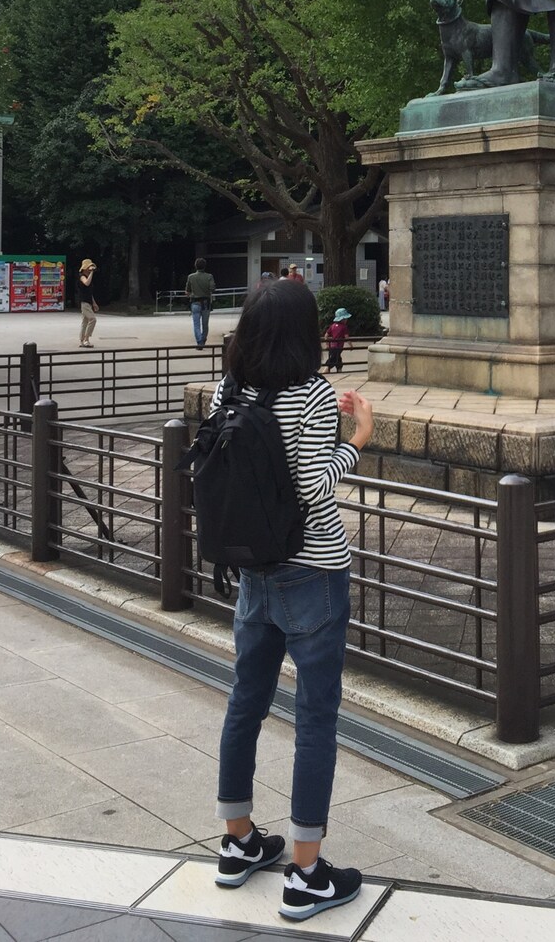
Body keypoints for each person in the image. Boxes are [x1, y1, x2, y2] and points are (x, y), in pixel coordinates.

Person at [212, 279, 373, 922]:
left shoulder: (232, 389)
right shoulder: (309, 393)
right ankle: (306, 873)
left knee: (245, 702)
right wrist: (357, 440)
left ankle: (238, 841)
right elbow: (311, 485)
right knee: (314, 719)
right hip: (313, 573)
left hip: (254, 569)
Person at [185, 257, 217, 349]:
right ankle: (203, 339)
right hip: (206, 302)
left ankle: (199, 342)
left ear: (195, 266)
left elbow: (187, 291)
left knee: (196, 324)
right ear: (205, 266)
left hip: (195, 302)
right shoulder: (209, 276)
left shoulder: (191, 277)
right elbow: (212, 288)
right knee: (205, 324)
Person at [77, 259, 98, 347]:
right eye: (89, 267)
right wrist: (92, 273)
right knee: (93, 319)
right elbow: (86, 283)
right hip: (84, 302)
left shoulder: (88, 277)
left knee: (85, 322)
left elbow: (90, 293)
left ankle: (82, 340)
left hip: (88, 302)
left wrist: (94, 303)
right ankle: (86, 339)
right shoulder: (82, 276)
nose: (90, 268)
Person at [325, 307, 352, 373]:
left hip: (332, 345)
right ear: (342, 319)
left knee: (337, 357)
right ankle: (326, 369)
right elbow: (346, 337)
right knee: (334, 358)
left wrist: (327, 344)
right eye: (345, 319)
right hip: (339, 346)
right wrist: (351, 345)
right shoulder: (344, 327)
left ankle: (339, 369)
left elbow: (326, 335)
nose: (346, 320)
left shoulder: (332, 326)